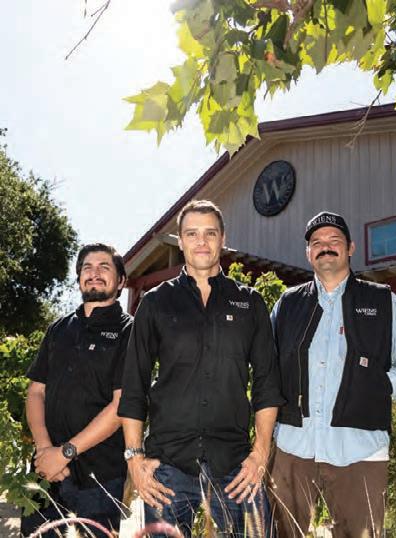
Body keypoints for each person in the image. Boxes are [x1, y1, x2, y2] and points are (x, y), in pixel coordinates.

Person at [118, 200, 284, 537]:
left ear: (223, 238)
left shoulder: (249, 303)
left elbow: (267, 384)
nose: (202, 242)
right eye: (192, 234)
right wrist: (134, 458)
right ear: (180, 241)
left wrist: (260, 453)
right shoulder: (155, 302)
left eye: (210, 233)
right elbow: (134, 384)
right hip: (167, 465)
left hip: (236, 465)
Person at [269, 211, 396, 537]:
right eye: (317, 242)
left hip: (360, 452)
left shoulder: (383, 301)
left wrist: (385, 384)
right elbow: (266, 367)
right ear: (308, 253)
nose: (325, 247)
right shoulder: (287, 304)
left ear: (351, 248)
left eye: (334, 240)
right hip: (292, 448)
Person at [22, 243, 133, 537]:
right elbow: (36, 392)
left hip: (100, 477)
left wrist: (65, 453)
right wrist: (45, 449)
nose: (94, 273)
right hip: (46, 471)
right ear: (79, 278)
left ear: (121, 281)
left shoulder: (131, 332)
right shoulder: (58, 329)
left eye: (104, 267)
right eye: (87, 267)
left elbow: (121, 406)